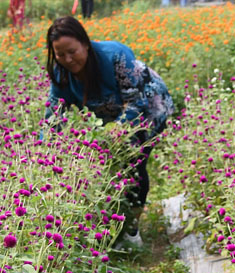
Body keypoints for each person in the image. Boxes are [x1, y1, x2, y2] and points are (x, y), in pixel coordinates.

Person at [44, 17, 174, 248]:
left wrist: (116, 132)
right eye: (60, 55)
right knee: (112, 169)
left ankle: (132, 232)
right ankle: (113, 229)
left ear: (85, 43)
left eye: (72, 51)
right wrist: (45, 147)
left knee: (134, 164)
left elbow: (136, 101)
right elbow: (54, 111)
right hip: (113, 117)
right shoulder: (61, 73)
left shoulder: (115, 56)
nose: (67, 59)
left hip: (149, 108)